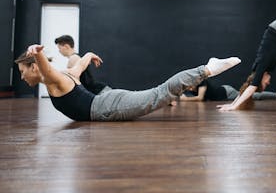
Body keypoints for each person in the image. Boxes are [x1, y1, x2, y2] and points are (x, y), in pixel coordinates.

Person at [15, 44, 241, 121]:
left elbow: (45, 69)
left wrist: (37, 53)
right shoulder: (66, 75)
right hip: (106, 102)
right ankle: (206, 68)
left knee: (159, 95)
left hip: (105, 108)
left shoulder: (53, 79)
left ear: (33, 66)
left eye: (22, 71)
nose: (22, 77)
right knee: (158, 94)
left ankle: (207, 69)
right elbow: (80, 64)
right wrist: (90, 55)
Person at [180, 79, 276, 101]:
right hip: (224, 93)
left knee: (251, 96)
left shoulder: (202, 82)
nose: (190, 89)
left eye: (190, 86)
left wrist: (185, 99)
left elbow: (200, 98)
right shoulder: (190, 89)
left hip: (227, 92)